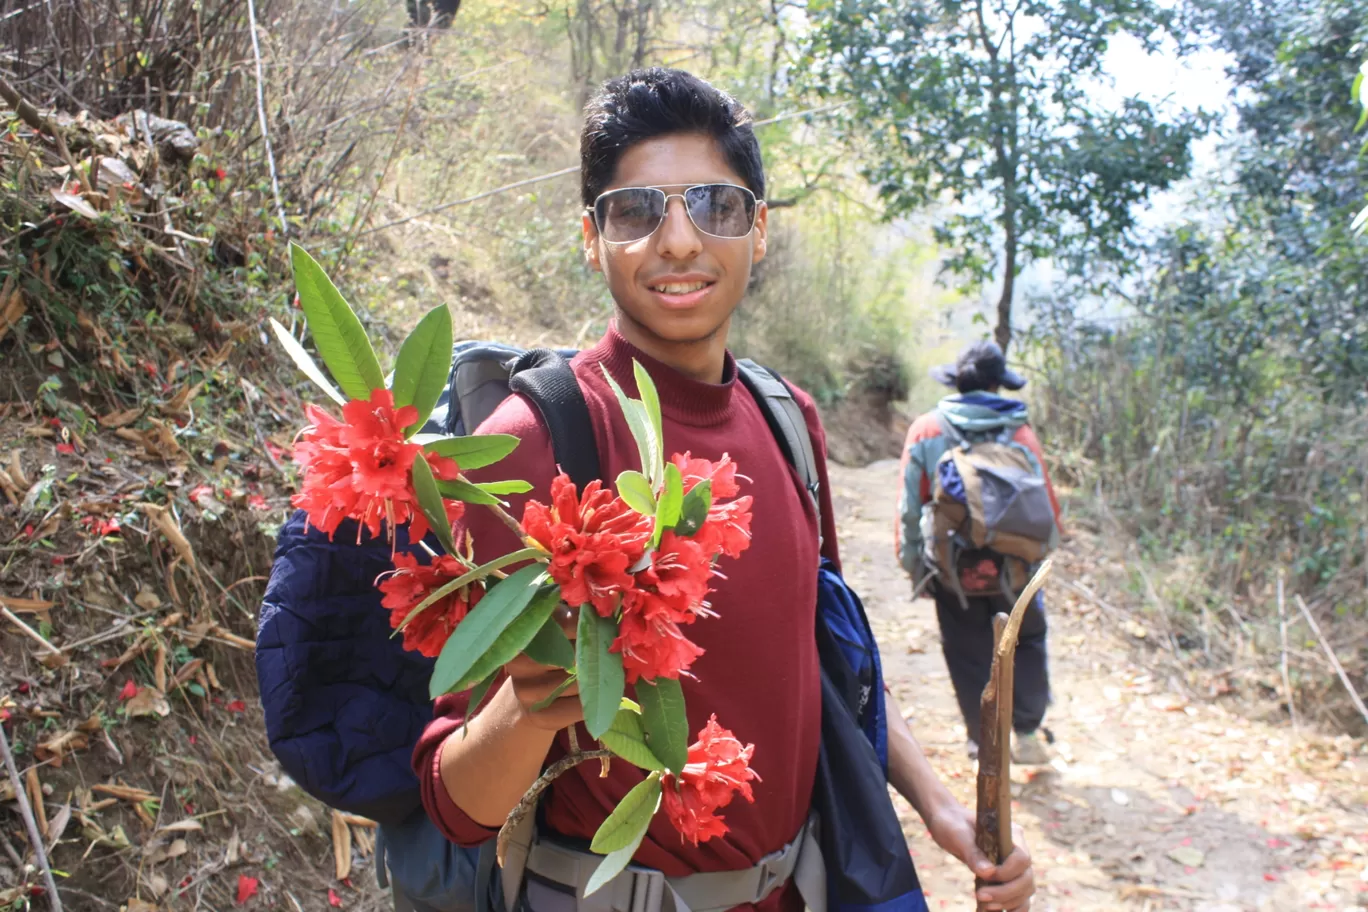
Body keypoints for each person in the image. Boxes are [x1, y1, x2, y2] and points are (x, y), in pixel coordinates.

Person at [413, 69, 1036, 912]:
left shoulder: (788, 420)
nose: (678, 241)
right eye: (636, 211)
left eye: (716, 205)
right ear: (591, 239)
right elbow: (457, 805)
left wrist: (939, 809)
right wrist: (532, 707)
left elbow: (825, 656)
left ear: (760, 230)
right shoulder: (529, 444)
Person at [896, 340, 1062, 764]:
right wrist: (1038, 560)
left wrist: (918, 569)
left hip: (954, 569)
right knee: (1026, 639)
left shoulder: (927, 430)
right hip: (1016, 566)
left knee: (967, 651)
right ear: (996, 385)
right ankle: (1026, 733)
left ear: (958, 382)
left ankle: (984, 740)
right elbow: (1048, 512)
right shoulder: (1020, 432)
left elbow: (909, 509)